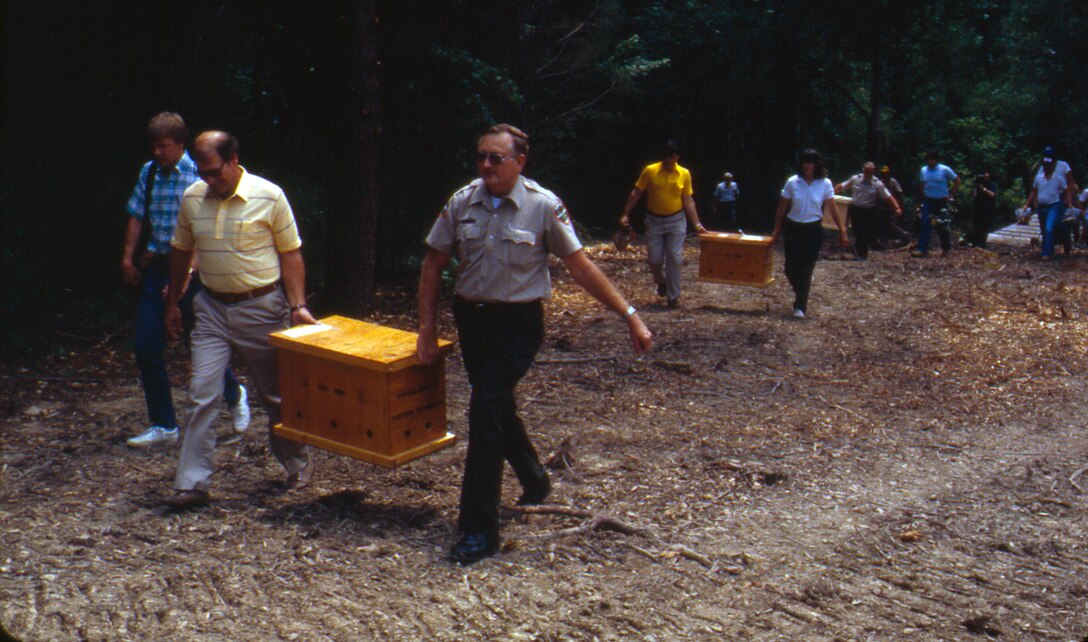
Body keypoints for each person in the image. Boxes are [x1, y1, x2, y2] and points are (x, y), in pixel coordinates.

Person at [416, 124, 653, 564]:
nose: (486, 165)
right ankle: (534, 478)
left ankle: (478, 530)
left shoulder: (543, 207)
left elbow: (581, 268)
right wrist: (427, 329)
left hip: (519, 324)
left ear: (520, 161)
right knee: (497, 405)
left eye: (496, 158)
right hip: (473, 321)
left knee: (485, 409)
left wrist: (630, 315)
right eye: (481, 157)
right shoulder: (462, 202)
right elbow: (433, 266)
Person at [161, 131, 317, 509]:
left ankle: (297, 464)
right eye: (203, 173)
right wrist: (173, 302)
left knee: (275, 394)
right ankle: (192, 482)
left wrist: (296, 306)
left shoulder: (269, 195)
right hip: (211, 308)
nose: (209, 180)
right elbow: (181, 251)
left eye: (215, 172)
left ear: (233, 159)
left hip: (262, 307)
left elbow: (291, 253)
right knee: (202, 394)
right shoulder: (193, 197)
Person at [120, 113, 250, 448]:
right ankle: (164, 425)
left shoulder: (199, 176)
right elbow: (136, 215)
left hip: (195, 269)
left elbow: (206, 229)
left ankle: (234, 394)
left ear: (180, 144)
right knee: (147, 345)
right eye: (153, 147)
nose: (158, 153)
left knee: (200, 346)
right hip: (158, 265)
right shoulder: (149, 174)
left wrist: (184, 276)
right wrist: (127, 257)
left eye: (163, 146)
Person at [618, 140, 708, 309]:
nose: (669, 161)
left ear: (677, 157)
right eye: (666, 158)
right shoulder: (651, 171)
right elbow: (637, 192)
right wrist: (625, 213)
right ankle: (661, 282)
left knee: (675, 258)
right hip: (654, 221)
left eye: (673, 157)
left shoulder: (684, 173)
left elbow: (688, 200)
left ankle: (673, 297)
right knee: (654, 259)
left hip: (676, 221)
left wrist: (697, 224)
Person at [771, 149, 849, 319]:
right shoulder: (792, 182)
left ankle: (800, 306)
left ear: (817, 164)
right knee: (790, 268)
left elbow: (832, 207)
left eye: (811, 162)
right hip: (794, 228)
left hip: (813, 229)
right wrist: (777, 229)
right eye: (805, 162)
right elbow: (782, 207)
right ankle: (802, 288)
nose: (807, 165)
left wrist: (842, 230)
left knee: (806, 268)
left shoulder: (825, 183)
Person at [834, 161, 902, 259]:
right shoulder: (855, 179)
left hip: (868, 211)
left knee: (864, 232)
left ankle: (862, 255)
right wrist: (830, 192)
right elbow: (842, 186)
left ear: (873, 172)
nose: (868, 174)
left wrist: (896, 207)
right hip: (855, 210)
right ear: (863, 170)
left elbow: (888, 196)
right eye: (866, 171)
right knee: (857, 230)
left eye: (870, 172)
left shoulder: (877, 184)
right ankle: (858, 252)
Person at [1024, 154, 1072, 260]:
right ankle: (1050, 248)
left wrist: (1069, 203)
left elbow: (1066, 189)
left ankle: (1046, 253)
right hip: (1042, 206)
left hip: (1054, 206)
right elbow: (1033, 191)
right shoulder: (1038, 178)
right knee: (1044, 229)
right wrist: (1027, 204)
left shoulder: (1058, 178)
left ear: (1052, 166)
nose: (1046, 168)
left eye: (1048, 166)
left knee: (1049, 228)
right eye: (1045, 166)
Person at [914, 150, 961, 257]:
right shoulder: (923, 170)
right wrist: (921, 199)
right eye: (928, 159)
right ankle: (922, 249)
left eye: (932, 159)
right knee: (925, 223)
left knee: (942, 225)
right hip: (928, 201)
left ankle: (946, 249)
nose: (930, 161)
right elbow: (922, 185)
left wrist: (951, 195)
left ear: (936, 160)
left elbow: (957, 181)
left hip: (942, 202)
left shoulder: (944, 169)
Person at [1034, 146, 1078, 254]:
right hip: (1048, 195)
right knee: (1046, 225)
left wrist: (1069, 199)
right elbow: (1038, 183)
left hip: (1062, 196)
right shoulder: (1042, 167)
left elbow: (1070, 183)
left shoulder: (1063, 166)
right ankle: (1048, 247)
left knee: (1060, 223)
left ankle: (1066, 242)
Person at [877, 164, 910, 246]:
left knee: (892, 225)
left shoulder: (893, 182)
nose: (884, 174)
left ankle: (904, 234)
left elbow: (900, 193)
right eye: (883, 173)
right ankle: (883, 242)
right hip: (883, 207)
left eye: (886, 172)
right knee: (882, 225)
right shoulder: (880, 183)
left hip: (892, 206)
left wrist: (901, 206)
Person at [970, 171, 997, 249]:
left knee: (984, 227)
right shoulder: (978, 185)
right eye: (984, 177)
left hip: (987, 208)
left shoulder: (991, 185)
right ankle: (975, 243)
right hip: (977, 208)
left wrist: (984, 189)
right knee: (976, 226)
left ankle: (982, 244)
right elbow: (974, 195)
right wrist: (976, 186)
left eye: (986, 177)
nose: (985, 178)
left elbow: (992, 194)